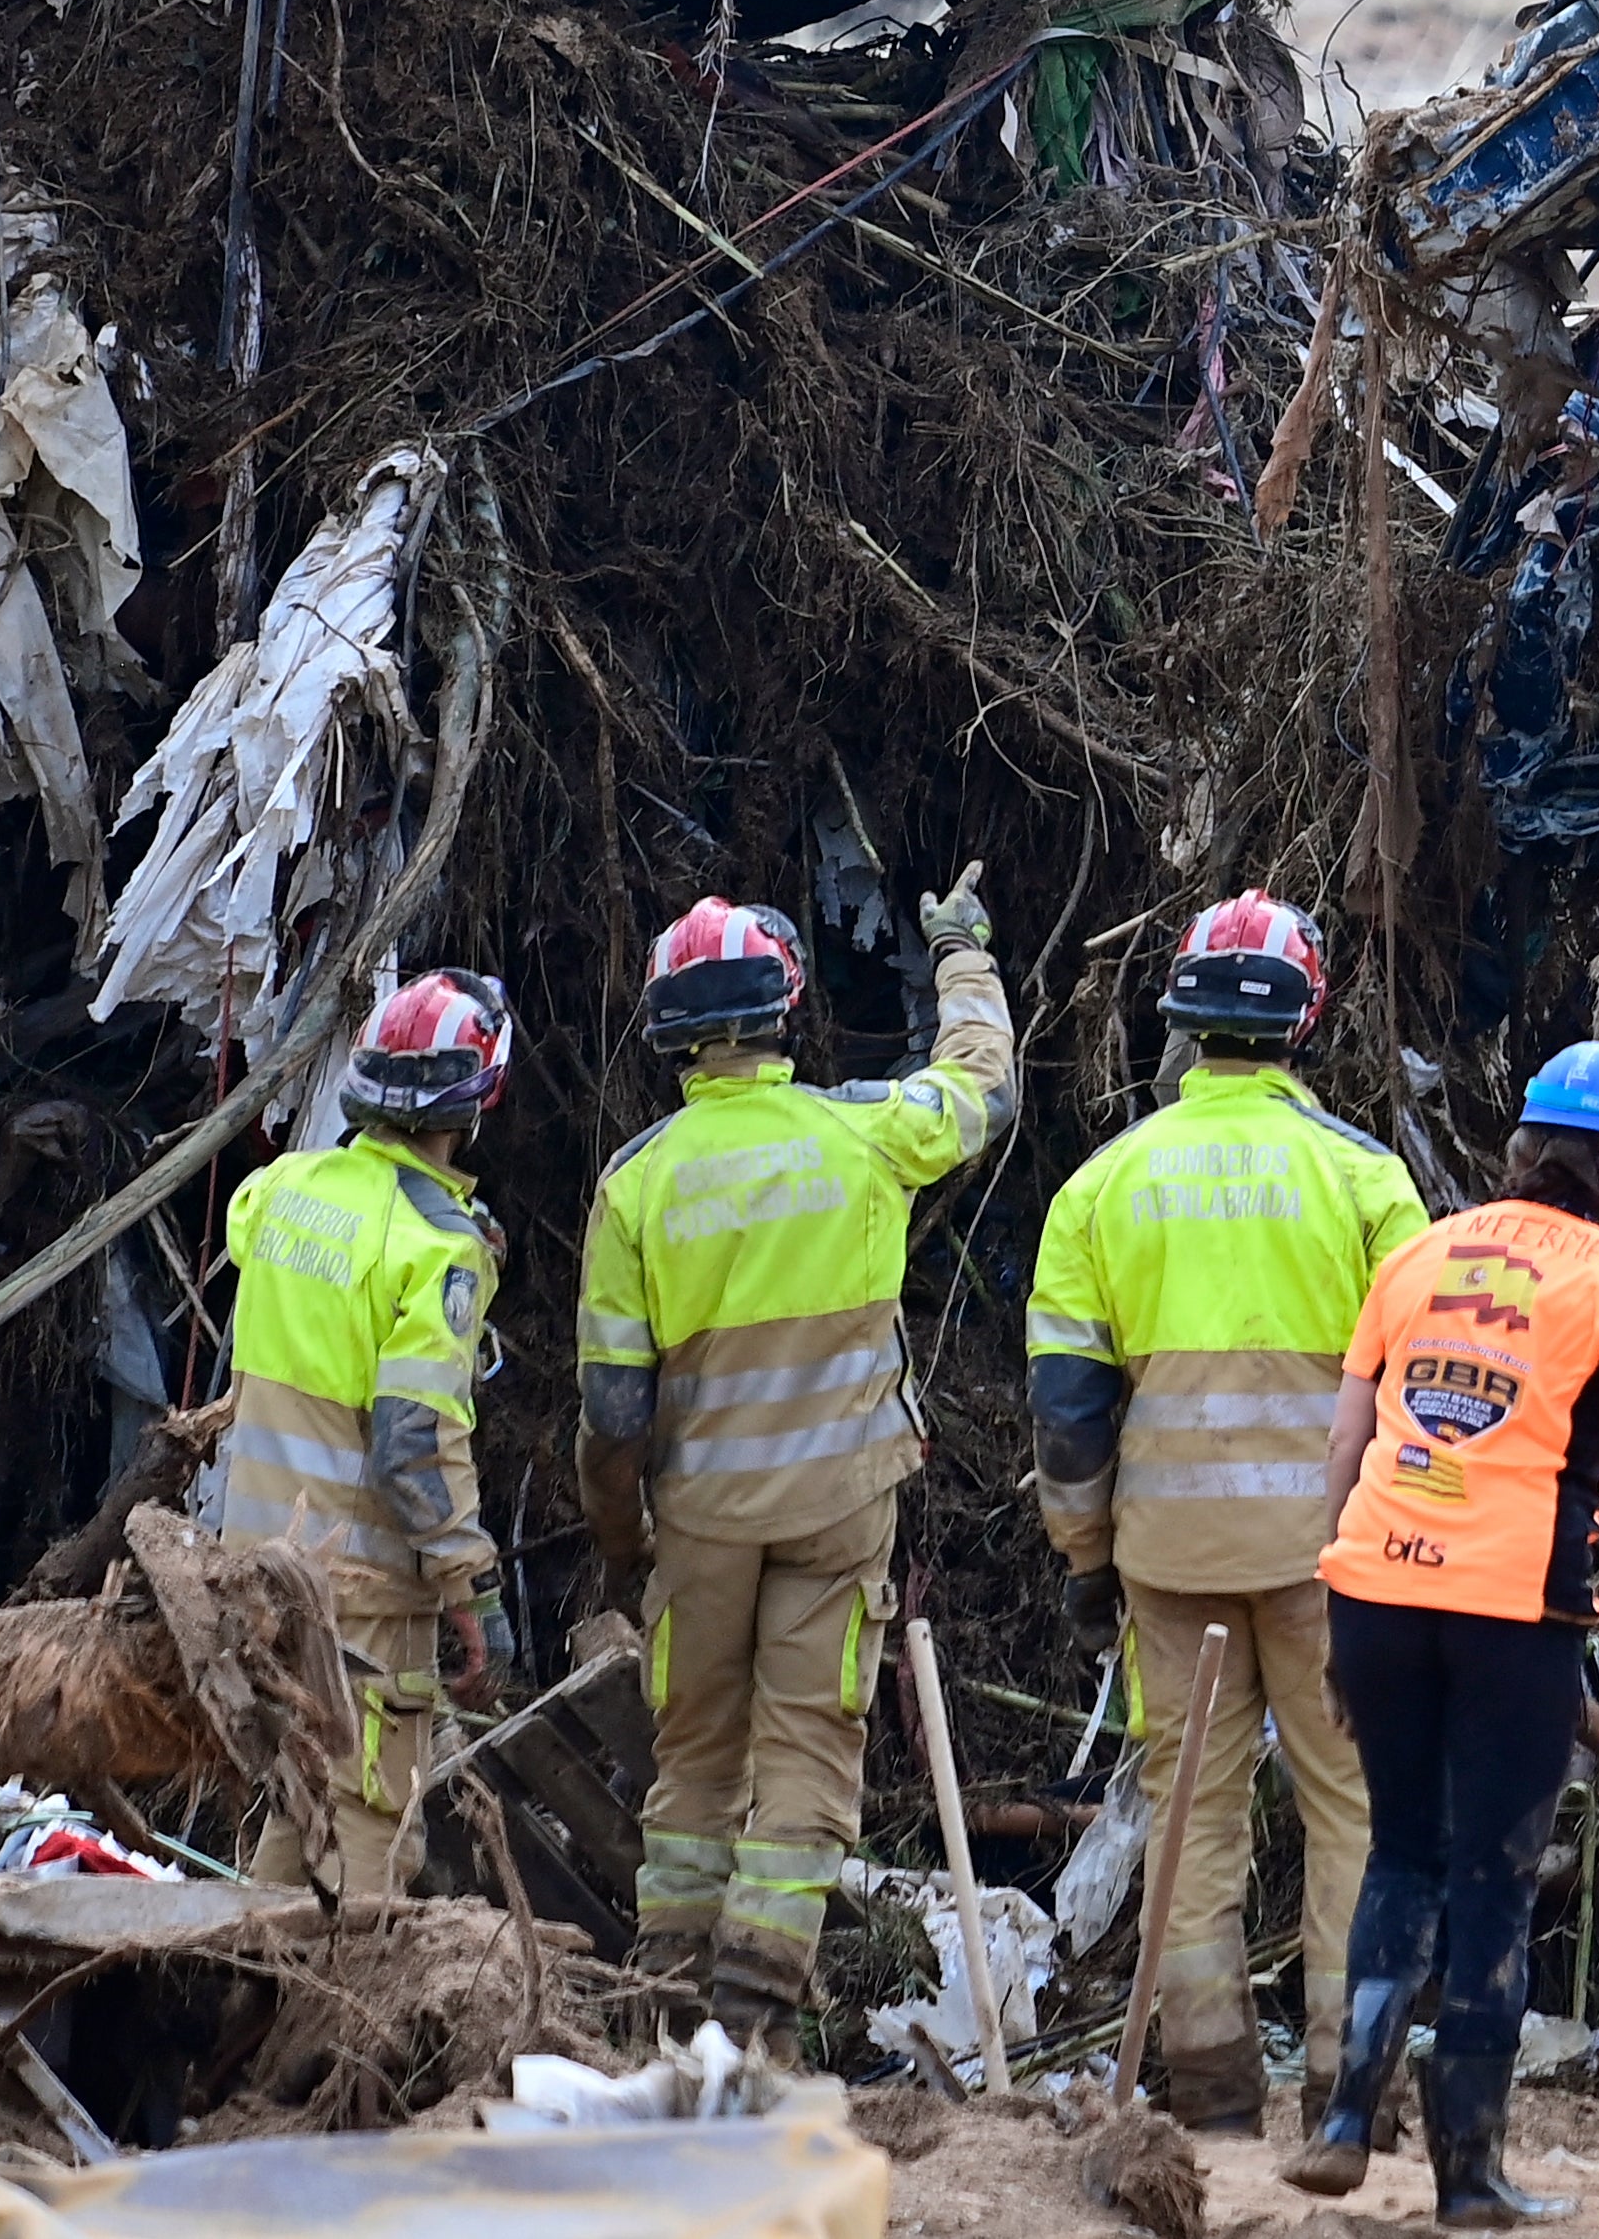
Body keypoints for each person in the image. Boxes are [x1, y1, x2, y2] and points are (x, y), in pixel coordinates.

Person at [1300, 1040, 1599, 2225]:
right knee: (1494, 1876)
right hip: (1511, 1608)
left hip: (1375, 1585)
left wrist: (1333, 1597)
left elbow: (1346, 1438)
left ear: (1523, 1148)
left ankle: (1343, 2112)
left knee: (1400, 1851)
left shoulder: (1420, 1252)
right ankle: (1468, 2173)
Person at [1026, 891, 1433, 2135]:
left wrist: (1087, 1554)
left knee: (1190, 1809)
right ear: (1306, 1020)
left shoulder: (1103, 1186)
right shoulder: (1368, 1181)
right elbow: (1429, 1392)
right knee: (1353, 1806)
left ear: (1184, 1019)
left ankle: (1204, 2085)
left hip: (1170, 1556)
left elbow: (1067, 1408)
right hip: (1336, 1560)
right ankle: (1346, 2078)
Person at [579, 878, 1017, 2021]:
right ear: (785, 1009)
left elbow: (614, 1414)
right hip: (838, 1510)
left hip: (703, 1523)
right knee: (809, 1755)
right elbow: (982, 1084)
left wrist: (622, 1544)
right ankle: (758, 2024)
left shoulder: (636, 1183)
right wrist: (960, 951)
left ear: (671, 1026)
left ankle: (670, 2008)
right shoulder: (862, 1130)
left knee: (696, 1766)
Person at [209, 966, 514, 1896]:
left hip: (253, 1568)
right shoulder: (439, 1249)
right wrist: (474, 1589)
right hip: (362, 1592)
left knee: (295, 1807)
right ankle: (316, 2034)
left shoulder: (280, 1190)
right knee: (362, 1840)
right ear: (480, 1097)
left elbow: (266, 1242)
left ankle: (243, 2008)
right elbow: (412, 1443)